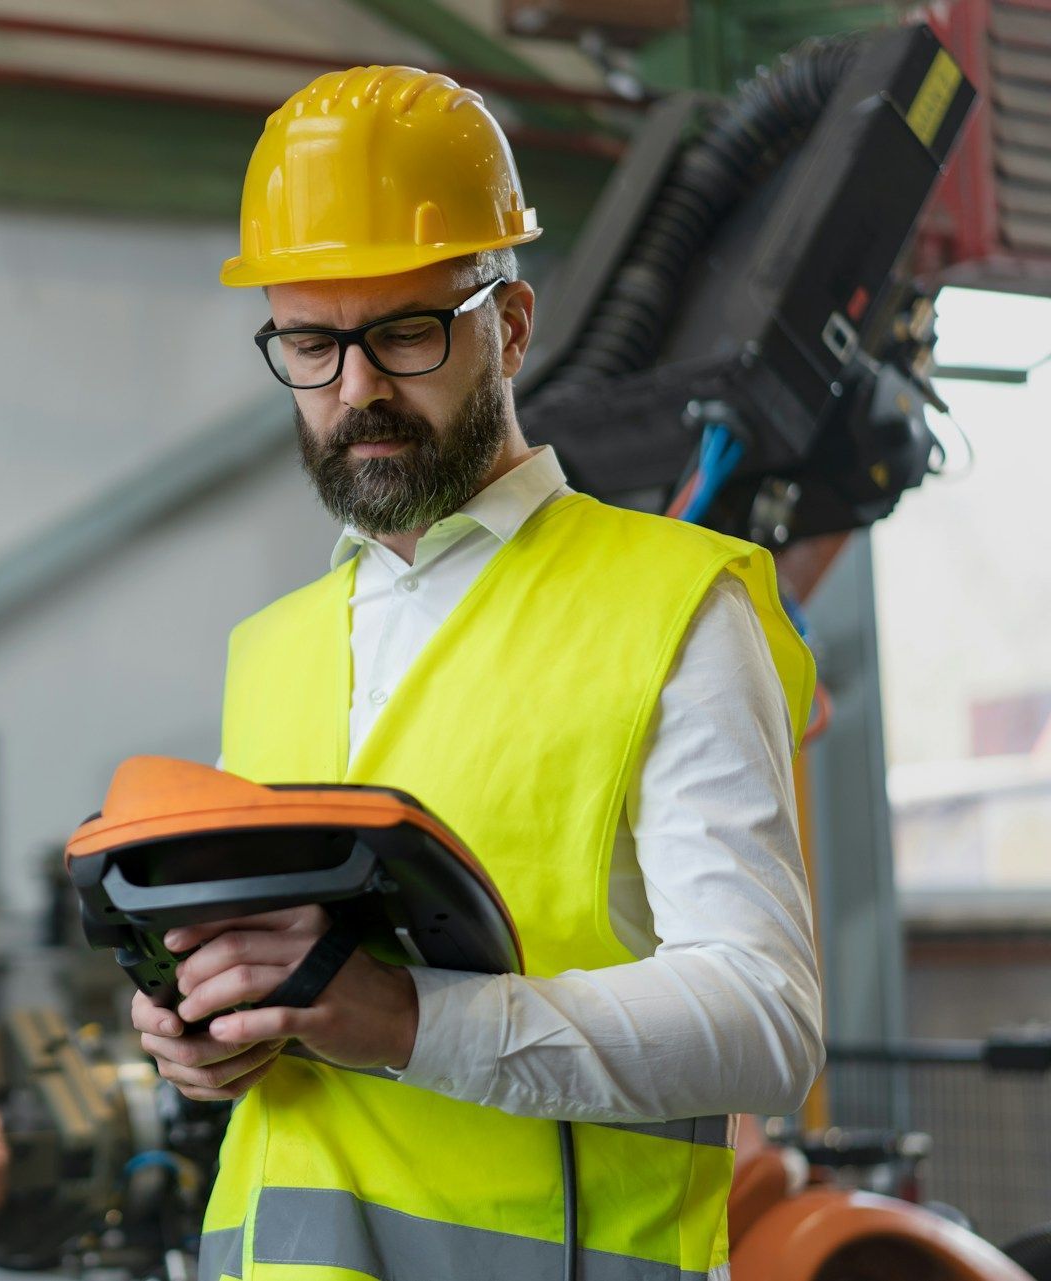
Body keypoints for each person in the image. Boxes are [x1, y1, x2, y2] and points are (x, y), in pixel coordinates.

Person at [129, 65, 823, 1281]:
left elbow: (768, 1020)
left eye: (403, 332)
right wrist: (209, 1033)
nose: (356, 391)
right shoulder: (274, 647)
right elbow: (279, 988)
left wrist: (408, 1026)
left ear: (508, 324)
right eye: (309, 340)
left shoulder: (671, 605)